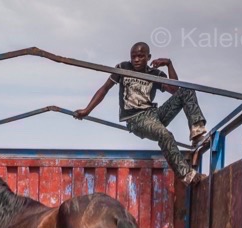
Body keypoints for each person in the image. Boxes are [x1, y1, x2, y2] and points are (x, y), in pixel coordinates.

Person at [75, 42, 209, 184]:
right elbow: (104, 89)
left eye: (140, 56)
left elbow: (176, 90)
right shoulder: (123, 68)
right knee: (165, 134)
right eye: (134, 57)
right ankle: (187, 175)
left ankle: (197, 132)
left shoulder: (155, 74)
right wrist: (87, 110)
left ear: (148, 57)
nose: (136, 60)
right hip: (136, 118)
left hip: (154, 114)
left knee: (186, 90)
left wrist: (169, 64)